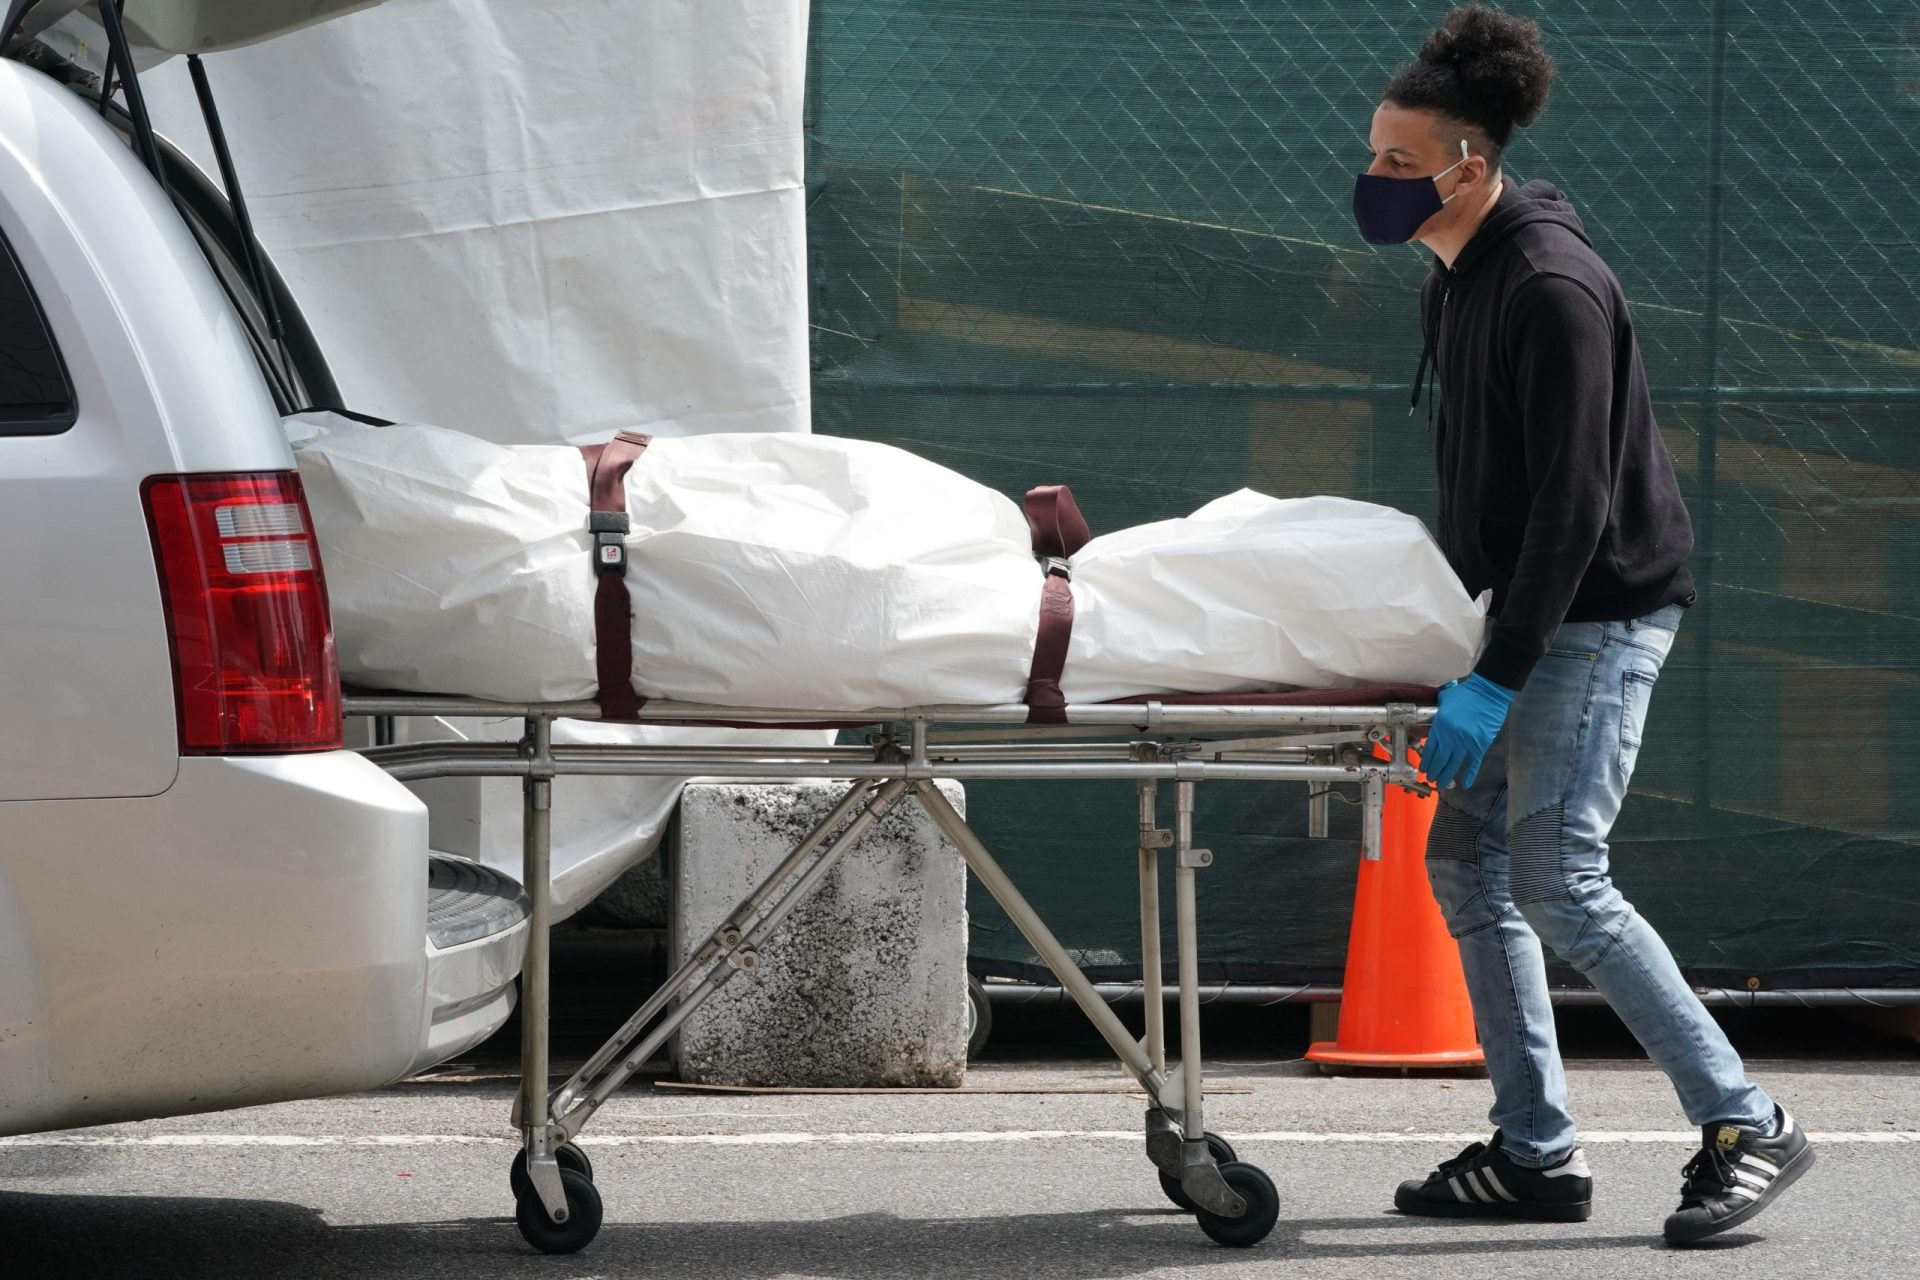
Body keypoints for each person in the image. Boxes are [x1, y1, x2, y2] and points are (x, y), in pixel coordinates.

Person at [1352, 4, 1811, 1245]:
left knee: (1562, 875)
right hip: (1531, 617)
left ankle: (1747, 1117)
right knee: (1469, 861)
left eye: (1402, 161)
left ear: (1473, 165)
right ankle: (1535, 1147)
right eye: (1376, 154)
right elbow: (1486, 497)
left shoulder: (1550, 284)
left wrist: (1496, 676)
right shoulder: (1460, 274)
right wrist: (1453, 653)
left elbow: (1574, 504)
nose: (1376, 179)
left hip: (1599, 618)